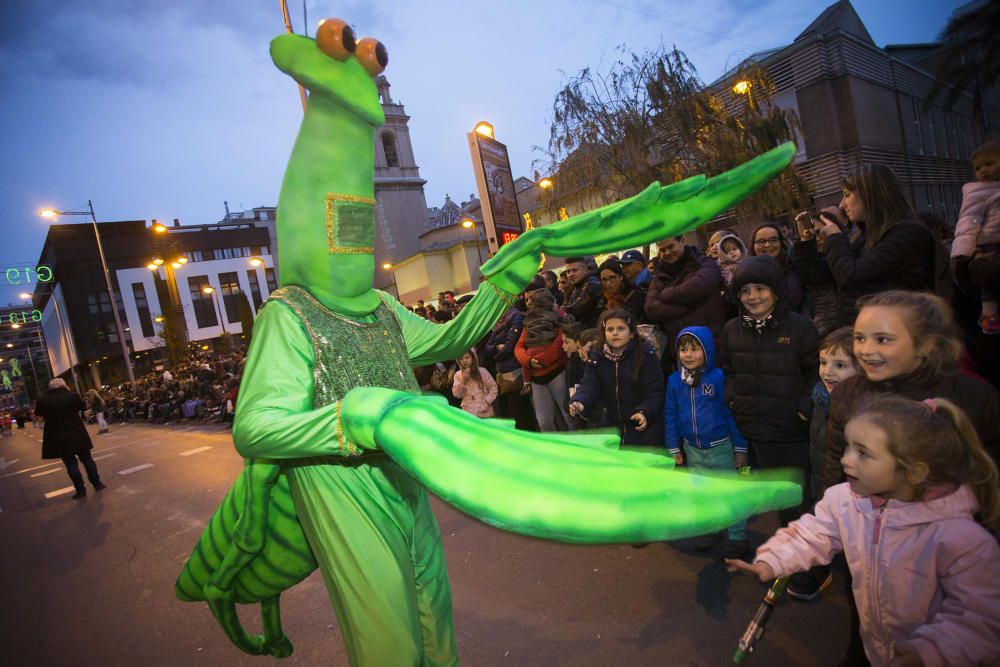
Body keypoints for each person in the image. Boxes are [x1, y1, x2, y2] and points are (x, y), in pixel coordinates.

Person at [727, 394, 1000, 667]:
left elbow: (980, 617)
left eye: (863, 453)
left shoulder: (960, 538)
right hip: (877, 649)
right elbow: (812, 533)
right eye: (847, 447)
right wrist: (773, 558)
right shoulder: (845, 500)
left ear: (914, 472)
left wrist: (928, 653)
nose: (846, 460)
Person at [824, 290, 1000, 491]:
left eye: (882, 339)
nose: (865, 350)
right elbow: (834, 471)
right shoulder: (847, 393)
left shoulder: (973, 397)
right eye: (860, 338)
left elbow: (988, 475)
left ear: (925, 345)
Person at [720, 256, 819, 526]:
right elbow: (728, 371)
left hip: (792, 432)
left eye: (760, 289)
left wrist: (803, 408)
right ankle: (789, 555)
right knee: (779, 498)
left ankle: (812, 562)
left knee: (802, 498)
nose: (752, 297)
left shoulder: (800, 327)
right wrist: (733, 398)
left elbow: (816, 373)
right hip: (756, 429)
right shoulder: (731, 330)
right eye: (745, 291)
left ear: (776, 290)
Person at [786, 326, 860, 601]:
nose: (828, 372)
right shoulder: (820, 398)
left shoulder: (862, 408)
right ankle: (819, 568)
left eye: (840, 365)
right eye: (823, 362)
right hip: (821, 475)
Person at [664, 327, 749, 558]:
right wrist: (673, 447)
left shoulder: (718, 378)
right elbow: (670, 414)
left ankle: (737, 536)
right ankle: (711, 529)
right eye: (683, 349)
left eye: (695, 349)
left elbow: (731, 413)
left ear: (707, 351)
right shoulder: (674, 381)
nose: (688, 355)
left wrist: (740, 447)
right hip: (693, 450)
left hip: (720, 448)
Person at [818, 164, 935, 324]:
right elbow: (826, 277)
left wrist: (836, 237)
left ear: (869, 195)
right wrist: (806, 244)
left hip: (897, 328)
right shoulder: (865, 235)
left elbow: (850, 276)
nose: (842, 205)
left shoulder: (907, 233)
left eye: (846, 195)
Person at [569, 309, 664, 446]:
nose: (615, 333)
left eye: (621, 328)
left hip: (641, 428)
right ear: (604, 333)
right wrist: (580, 401)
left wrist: (644, 412)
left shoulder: (646, 357)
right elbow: (588, 385)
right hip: (610, 427)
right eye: (610, 329)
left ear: (631, 333)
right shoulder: (596, 357)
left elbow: (654, 391)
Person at [644, 235, 726, 365]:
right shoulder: (659, 275)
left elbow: (699, 286)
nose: (667, 253)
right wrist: (688, 306)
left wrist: (666, 295)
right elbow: (651, 309)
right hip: (681, 351)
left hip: (712, 346)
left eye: (670, 247)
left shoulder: (704, 262)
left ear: (682, 241)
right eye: (662, 250)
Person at [951, 139, 1000, 333]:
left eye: (989, 164)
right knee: (989, 286)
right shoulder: (978, 192)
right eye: (978, 168)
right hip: (990, 244)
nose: (983, 171)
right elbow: (968, 221)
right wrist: (966, 251)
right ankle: (989, 318)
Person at [35, 378, 107, 499]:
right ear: (64, 386)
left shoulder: (43, 399)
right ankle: (97, 484)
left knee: (70, 464)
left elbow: (38, 413)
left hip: (58, 436)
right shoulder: (72, 395)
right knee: (87, 459)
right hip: (77, 433)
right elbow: (82, 407)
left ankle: (80, 490)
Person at [515, 289, 570, 432]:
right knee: (544, 422)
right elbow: (518, 347)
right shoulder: (529, 323)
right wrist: (528, 361)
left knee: (569, 417)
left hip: (557, 372)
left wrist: (540, 360)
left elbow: (561, 341)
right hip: (536, 378)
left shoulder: (560, 318)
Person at [793, 206, 853, 338]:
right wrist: (805, 241)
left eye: (822, 232)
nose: (817, 238)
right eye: (813, 235)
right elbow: (812, 273)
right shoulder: (814, 265)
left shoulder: (850, 256)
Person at [749, 223, 803, 313]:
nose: (767, 245)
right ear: (753, 246)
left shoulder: (794, 264)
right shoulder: (747, 272)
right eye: (761, 241)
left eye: (773, 240)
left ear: (781, 242)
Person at [596, 257, 646, 325]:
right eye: (604, 279)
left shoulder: (635, 294)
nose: (608, 283)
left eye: (612, 277)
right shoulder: (601, 298)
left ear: (621, 277)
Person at [451, 349, 498, 418]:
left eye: (467, 357)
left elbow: (493, 388)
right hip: (468, 412)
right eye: (461, 359)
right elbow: (457, 394)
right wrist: (464, 380)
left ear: (473, 358)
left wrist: (486, 402)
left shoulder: (483, 371)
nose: (464, 361)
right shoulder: (458, 375)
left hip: (484, 412)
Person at [561, 256, 602, 328]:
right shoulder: (576, 287)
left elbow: (576, 310)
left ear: (586, 270)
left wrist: (556, 309)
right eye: (568, 272)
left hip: (592, 333)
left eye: (574, 270)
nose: (570, 274)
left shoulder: (592, 284)